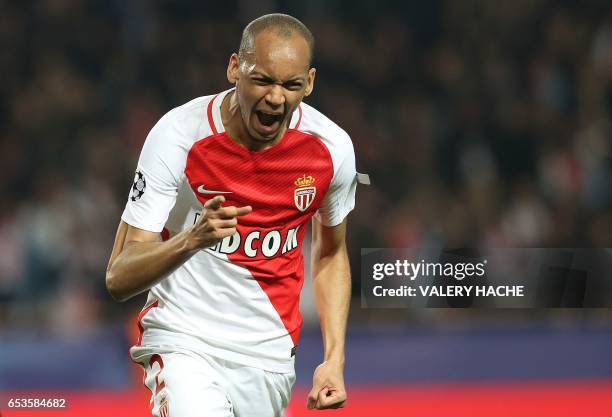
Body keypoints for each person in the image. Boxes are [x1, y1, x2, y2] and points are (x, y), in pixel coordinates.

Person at [106, 13, 357, 417]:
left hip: (269, 354)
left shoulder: (332, 150)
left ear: (309, 83)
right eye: (263, 80)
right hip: (185, 340)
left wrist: (334, 359)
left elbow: (330, 253)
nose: (276, 98)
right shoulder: (178, 135)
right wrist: (192, 239)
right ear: (234, 69)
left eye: (291, 85)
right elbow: (119, 276)